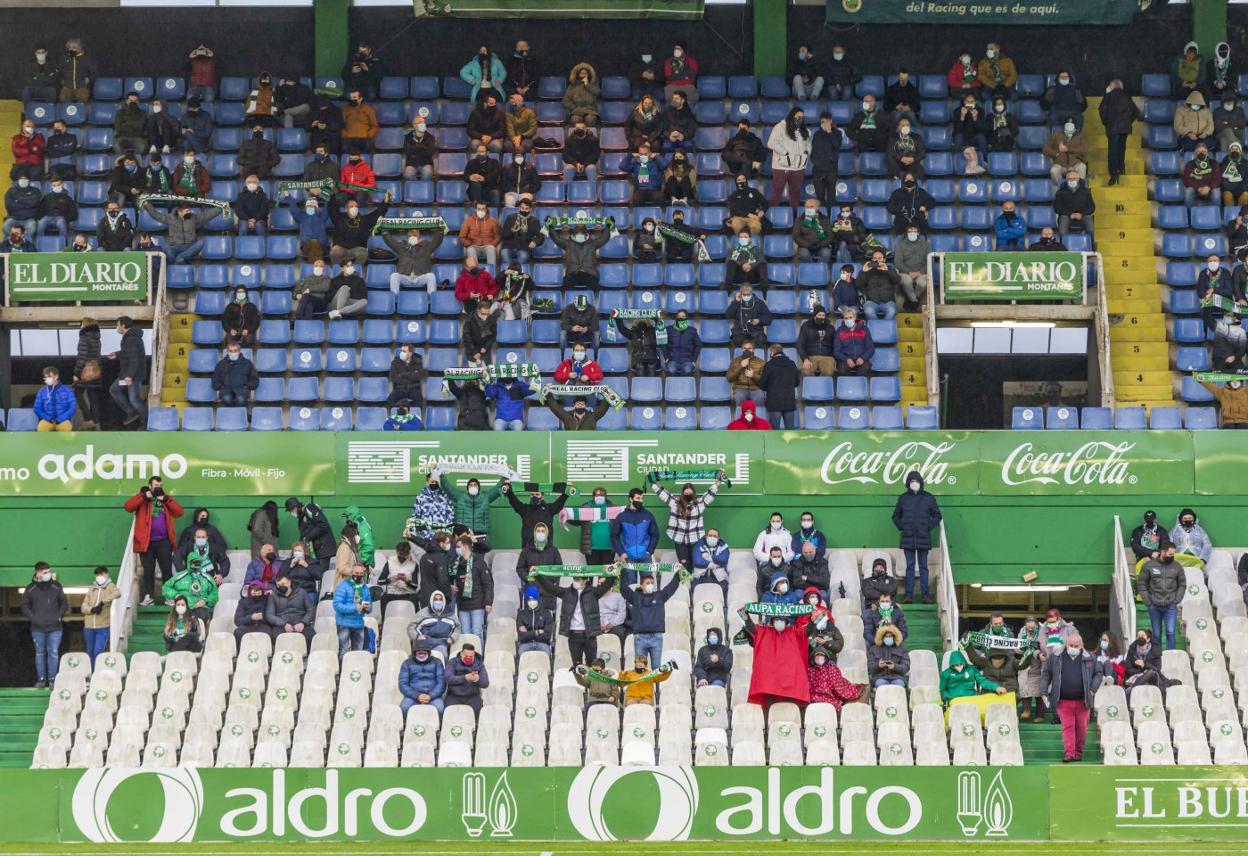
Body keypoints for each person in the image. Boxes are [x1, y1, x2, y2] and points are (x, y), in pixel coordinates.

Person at [124, 476, 183, 605]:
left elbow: (179, 512)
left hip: (164, 541)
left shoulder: (165, 499)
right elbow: (128, 507)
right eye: (156, 485)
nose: (158, 487)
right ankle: (148, 596)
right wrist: (144, 496)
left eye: (160, 485)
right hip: (146, 542)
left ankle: (169, 596)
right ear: (150, 485)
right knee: (148, 570)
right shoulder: (143, 498)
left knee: (167, 570)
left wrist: (166, 499)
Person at [1042, 633, 1100, 761]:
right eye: (1071, 645)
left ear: (1082, 645)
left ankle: (1078, 752)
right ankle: (1069, 753)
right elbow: (1046, 673)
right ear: (1066, 644)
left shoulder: (1090, 657)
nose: (1073, 647)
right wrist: (1043, 690)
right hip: (1063, 700)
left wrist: (1092, 689)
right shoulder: (1056, 656)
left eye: (1076, 646)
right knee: (1067, 727)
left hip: (1083, 700)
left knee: (1082, 728)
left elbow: (1098, 673)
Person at [649, 472, 723, 570]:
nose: (688, 494)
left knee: (695, 564)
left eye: (690, 492)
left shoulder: (700, 503)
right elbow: (662, 493)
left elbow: (710, 493)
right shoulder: (675, 503)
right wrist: (651, 480)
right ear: (683, 493)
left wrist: (719, 481)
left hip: (695, 540)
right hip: (680, 540)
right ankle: (685, 584)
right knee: (683, 566)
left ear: (693, 493)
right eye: (686, 492)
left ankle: (694, 584)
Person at [544, 571, 616, 666]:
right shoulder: (566, 592)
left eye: (578, 579)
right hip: (574, 635)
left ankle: (590, 681)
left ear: (585, 580)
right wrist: (537, 575)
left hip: (589, 635)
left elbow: (606, 585)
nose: (575, 581)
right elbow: (550, 588)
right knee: (577, 666)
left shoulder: (594, 592)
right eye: (574, 579)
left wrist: (614, 572)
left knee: (592, 665)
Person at [892, 470, 942, 604]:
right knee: (910, 567)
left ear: (921, 482)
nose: (914, 483)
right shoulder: (903, 498)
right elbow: (895, 516)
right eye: (912, 481)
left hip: (923, 537)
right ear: (908, 483)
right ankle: (908, 596)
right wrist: (902, 526)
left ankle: (926, 595)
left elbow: (937, 515)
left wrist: (927, 526)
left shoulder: (928, 497)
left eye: (916, 481)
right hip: (908, 538)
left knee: (923, 567)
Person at [620, 570, 682, 669]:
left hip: (656, 638)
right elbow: (623, 589)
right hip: (640, 638)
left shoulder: (660, 596)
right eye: (647, 583)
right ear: (642, 585)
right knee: (640, 668)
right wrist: (622, 571)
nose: (650, 585)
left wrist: (679, 573)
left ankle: (657, 685)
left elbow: (672, 586)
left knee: (657, 669)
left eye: (652, 583)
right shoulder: (635, 597)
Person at [21, 563, 67, 689]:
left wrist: (59, 616)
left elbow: (64, 603)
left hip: (55, 627)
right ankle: (41, 680)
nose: (48, 574)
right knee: (40, 653)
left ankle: (53, 680)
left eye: (49, 571)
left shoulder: (56, 586)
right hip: (37, 628)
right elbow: (24, 606)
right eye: (45, 572)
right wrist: (34, 618)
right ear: (38, 573)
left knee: (53, 652)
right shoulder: (30, 588)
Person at [1138, 540, 1183, 651]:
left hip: (1170, 605)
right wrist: (1148, 601)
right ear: (1162, 552)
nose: (1172, 556)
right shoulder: (1149, 565)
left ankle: (1172, 658)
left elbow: (1182, 584)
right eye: (1170, 554)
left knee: (1170, 631)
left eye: (1173, 554)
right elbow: (1141, 584)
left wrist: (1176, 599)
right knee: (1157, 634)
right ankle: (1157, 658)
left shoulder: (1177, 566)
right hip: (1154, 605)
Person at [141, 200, 220, 264]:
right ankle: (176, 262)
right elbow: (156, 215)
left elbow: (207, 216)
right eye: (187, 211)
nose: (189, 212)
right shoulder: (170, 218)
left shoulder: (193, 217)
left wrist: (220, 208)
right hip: (175, 246)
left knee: (201, 243)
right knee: (168, 250)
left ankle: (181, 257)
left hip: (190, 246)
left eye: (189, 210)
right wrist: (147, 205)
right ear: (179, 211)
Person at [446, 535, 493, 640]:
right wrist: (452, 587)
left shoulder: (479, 562)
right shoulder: (456, 564)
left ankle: (478, 655)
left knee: (477, 632)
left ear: (465, 546)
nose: (456, 549)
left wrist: (488, 602)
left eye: (458, 546)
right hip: (463, 604)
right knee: (465, 634)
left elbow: (487, 584)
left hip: (477, 603)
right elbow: (451, 579)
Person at [503, 480, 570, 548]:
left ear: (542, 496)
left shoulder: (549, 509)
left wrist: (566, 492)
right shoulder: (525, 509)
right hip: (528, 550)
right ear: (530, 496)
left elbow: (560, 502)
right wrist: (509, 492)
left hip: (546, 550)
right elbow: (514, 502)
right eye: (532, 494)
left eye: (537, 494)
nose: (534, 496)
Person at [328, 195, 390, 267]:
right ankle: (340, 271)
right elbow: (332, 208)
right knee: (334, 252)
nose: (354, 208)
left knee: (363, 253)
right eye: (351, 206)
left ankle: (356, 270)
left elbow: (377, 214)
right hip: (341, 247)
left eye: (356, 206)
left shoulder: (364, 220)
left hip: (357, 248)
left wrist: (385, 202)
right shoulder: (339, 218)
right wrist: (332, 194)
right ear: (346, 208)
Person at [767, 107, 810, 210]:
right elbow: (771, 143)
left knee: (795, 194)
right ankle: (769, 215)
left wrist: (806, 152)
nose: (800, 119)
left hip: (798, 168)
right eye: (798, 117)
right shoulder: (780, 127)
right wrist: (785, 153)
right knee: (777, 192)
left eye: (802, 117)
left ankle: (794, 218)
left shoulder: (805, 130)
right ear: (792, 116)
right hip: (781, 166)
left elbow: (809, 144)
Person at [1098, 79, 1139, 186]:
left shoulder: (1108, 96)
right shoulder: (1127, 96)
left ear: (1111, 87)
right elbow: (1136, 112)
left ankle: (1113, 174)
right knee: (1122, 148)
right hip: (1124, 128)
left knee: (1113, 150)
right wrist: (1129, 121)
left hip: (1112, 127)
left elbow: (1102, 110)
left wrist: (1106, 122)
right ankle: (1121, 168)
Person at [611, 487, 660, 577]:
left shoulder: (648, 515)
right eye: (638, 498)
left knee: (647, 585)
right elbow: (614, 536)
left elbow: (655, 534)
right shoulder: (621, 516)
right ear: (630, 499)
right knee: (630, 585)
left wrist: (649, 551)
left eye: (642, 498)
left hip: (645, 556)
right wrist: (621, 552)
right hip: (628, 556)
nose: (640, 501)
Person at [385, 226, 445, 297]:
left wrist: (440, 231)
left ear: (419, 237)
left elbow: (437, 241)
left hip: (420, 276)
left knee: (431, 276)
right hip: (405, 276)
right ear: (407, 237)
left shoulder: (426, 246)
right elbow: (390, 242)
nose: (412, 237)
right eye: (410, 235)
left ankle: (431, 300)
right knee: (394, 276)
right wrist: (384, 232)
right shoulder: (402, 245)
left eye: (414, 235)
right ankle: (395, 299)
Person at [161, 552, 219, 625]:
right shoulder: (179, 576)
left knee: (201, 617)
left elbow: (215, 594)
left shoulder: (207, 578)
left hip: (201, 609)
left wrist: (205, 600)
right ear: (188, 563)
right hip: (183, 607)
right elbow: (165, 588)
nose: (196, 565)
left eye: (198, 562)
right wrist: (176, 595)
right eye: (194, 562)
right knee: (178, 619)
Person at [78, 565, 120, 667]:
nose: (99, 576)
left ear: (106, 574)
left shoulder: (111, 587)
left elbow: (117, 593)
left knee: (98, 651)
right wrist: (92, 609)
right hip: (89, 626)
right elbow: (83, 607)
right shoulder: (92, 589)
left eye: (101, 574)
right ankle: (92, 674)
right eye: (97, 574)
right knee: (90, 651)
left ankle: (98, 672)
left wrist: (102, 603)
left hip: (103, 626)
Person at [333, 563, 373, 658]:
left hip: (359, 623)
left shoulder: (365, 588)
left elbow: (370, 606)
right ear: (351, 573)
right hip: (344, 624)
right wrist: (355, 608)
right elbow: (337, 605)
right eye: (356, 573)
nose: (358, 575)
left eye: (360, 573)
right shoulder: (343, 586)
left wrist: (368, 608)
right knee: (344, 651)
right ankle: (343, 671)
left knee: (358, 653)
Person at [941, 649, 1006, 706]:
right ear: (952, 664)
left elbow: (982, 681)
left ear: (964, 661)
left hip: (971, 696)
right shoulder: (946, 674)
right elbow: (943, 690)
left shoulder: (972, 669)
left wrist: (996, 687)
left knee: (989, 702)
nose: (959, 666)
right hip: (955, 699)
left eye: (961, 664)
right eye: (956, 665)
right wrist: (950, 696)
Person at [757, 344, 800, 429]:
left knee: (774, 432)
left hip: (774, 402)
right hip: (789, 401)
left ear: (772, 352)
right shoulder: (792, 364)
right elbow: (797, 382)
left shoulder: (769, 365)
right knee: (790, 430)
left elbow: (762, 384)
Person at [265, 574, 315, 646]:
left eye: (283, 584)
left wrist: (303, 623)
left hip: (300, 622)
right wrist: (284, 624)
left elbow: (311, 609)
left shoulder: (302, 592)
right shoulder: (273, 596)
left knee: (311, 636)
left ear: (289, 582)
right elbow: (269, 615)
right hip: (281, 625)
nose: (280, 586)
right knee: (275, 637)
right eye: (278, 585)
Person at [400, 639, 446, 716]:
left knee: (440, 709)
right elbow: (403, 683)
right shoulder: (407, 663)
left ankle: (436, 726)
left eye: (424, 651)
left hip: (433, 696)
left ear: (428, 652)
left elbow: (441, 682)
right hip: (413, 696)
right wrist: (417, 696)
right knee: (404, 708)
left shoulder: (437, 662)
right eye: (419, 651)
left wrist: (431, 695)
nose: (421, 653)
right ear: (414, 652)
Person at [283, 497, 333, 563]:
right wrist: (298, 545)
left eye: (291, 511)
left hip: (323, 549)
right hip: (316, 551)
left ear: (295, 508)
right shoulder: (301, 518)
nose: (291, 513)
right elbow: (304, 535)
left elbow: (323, 524)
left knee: (320, 572)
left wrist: (307, 537)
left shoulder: (309, 508)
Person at [444, 643, 490, 715]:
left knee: (477, 711)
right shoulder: (453, 662)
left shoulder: (479, 664)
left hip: (472, 696)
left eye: (471, 656)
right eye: (466, 656)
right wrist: (464, 677)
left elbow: (485, 683)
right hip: (454, 696)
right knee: (450, 712)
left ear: (474, 654)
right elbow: (448, 678)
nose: (468, 658)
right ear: (461, 654)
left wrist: (477, 679)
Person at [376, 541, 421, 610]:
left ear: (409, 553)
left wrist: (406, 581)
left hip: (408, 594)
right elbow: (380, 581)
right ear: (396, 552)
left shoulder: (414, 565)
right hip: (392, 594)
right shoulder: (390, 562)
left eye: (404, 555)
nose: (402, 557)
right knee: (384, 599)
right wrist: (390, 579)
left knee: (415, 599)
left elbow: (415, 586)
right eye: (400, 554)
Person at [1123, 628, 1164, 700]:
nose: (1140, 637)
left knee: (1151, 673)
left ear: (1148, 639)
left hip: (1152, 679)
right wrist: (1141, 672)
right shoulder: (1132, 650)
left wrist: (1144, 665)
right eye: (1138, 636)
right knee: (1146, 678)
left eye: (1142, 635)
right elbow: (1128, 668)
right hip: (1135, 677)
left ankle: (1132, 689)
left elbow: (1157, 669)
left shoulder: (1155, 651)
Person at [858, 249, 900, 320]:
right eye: (875, 258)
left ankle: (883, 328)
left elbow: (897, 281)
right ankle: (876, 327)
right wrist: (863, 272)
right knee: (868, 310)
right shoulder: (867, 271)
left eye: (880, 258)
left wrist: (887, 271)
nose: (877, 260)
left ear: (884, 260)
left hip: (888, 302)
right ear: (872, 260)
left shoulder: (890, 269)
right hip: (871, 302)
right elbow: (858, 285)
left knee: (892, 311)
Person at [796, 306, 837, 378]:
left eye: (823, 315)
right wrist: (805, 358)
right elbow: (800, 344)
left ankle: (822, 386)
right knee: (806, 371)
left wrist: (834, 358)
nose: (821, 317)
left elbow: (836, 344)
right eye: (819, 315)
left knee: (829, 371)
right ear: (814, 316)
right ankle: (811, 387)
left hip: (827, 357)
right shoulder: (806, 326)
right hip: (810, 356)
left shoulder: (830, 327)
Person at [31, 366, 75, 432]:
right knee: (41, 428)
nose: (47, 379)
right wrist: (49, 418)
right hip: (47, 420)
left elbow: (73, 407)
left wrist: (60, 419)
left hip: (63, 420)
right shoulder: (42, 391)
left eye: (49, 376)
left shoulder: (67, 390)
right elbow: (37, 408)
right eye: (45, 377)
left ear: (56, 376)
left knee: (66, 429)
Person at [833, 306, 874, 376]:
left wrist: (863, 358)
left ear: (855, 317)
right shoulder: (839, 331)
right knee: (842, 369)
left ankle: (859, 384)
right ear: (843, 319)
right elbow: (836, 351)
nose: (848, 320)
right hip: (846, 359)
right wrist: (847, 359)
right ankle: (847, 384)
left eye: (850, 317)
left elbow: (870, 348)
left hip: (861, 357)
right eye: (846, 318)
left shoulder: (864, 329)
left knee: (866, 368)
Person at [515, 584, 555, 656]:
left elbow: (547, 636)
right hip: (525, 644)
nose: (532, 601)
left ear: (538, 599)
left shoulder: (546, 614)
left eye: (534, 599)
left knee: (546, 653)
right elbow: (521, 636)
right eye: (529, 600)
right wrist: (537, 632)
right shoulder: (521, 615)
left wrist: (528, 633)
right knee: (521, 652)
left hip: (543, 644)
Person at [1055, 170, 1096, 239]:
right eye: (1069, 179)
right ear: (1066, 180)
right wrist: (1070, 214)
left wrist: (1081, 214)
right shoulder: (1060, 192)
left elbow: (1091, 207)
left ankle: (1091, 246)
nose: (1072, 181)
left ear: (1078, 179)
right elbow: (1057, 207)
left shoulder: (1086, 192)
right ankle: (1063, 246)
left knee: (1091, 228)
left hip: (1083, 215)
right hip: (1067, 216)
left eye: (1074, 179)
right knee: (1062, 229)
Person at [793, 200, 835, 264]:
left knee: (827, 253)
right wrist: (808, 245)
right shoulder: (800, 219)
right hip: (805, 246)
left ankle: (819, 268)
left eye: (811, 206)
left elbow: (830, 236)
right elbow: (796, 236)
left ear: (817, 208)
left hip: (822, 246)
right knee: (803, 254)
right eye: (807, 207)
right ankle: (811, 268)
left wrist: (821, 244)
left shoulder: (825, 219)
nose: (809, 209)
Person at [690, 528, 730, 593]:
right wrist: (714, 564)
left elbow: (723, 559)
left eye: (714, 536)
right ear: (706, 536)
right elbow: (697, 561)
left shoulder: (723, 545)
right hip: (700, 577)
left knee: (723, 589)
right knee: (695, 588)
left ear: (718, 538)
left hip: (719, 578)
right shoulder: (698, 545)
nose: (712, 537)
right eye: (710, 535)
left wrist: (708, 557)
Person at [386, 344, 424, 409]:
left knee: (419, 401)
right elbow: (394, 379)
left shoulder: (418, 362)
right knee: (390, 400)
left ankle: (410, 415)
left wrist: (403, 374)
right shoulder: (395, 362)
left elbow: (418, 377)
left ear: (410, 353)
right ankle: (399, 415)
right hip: (400, 388)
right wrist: (411, 376)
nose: (401, 353)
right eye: (401, 351)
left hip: (414, 388)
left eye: (404, 351)